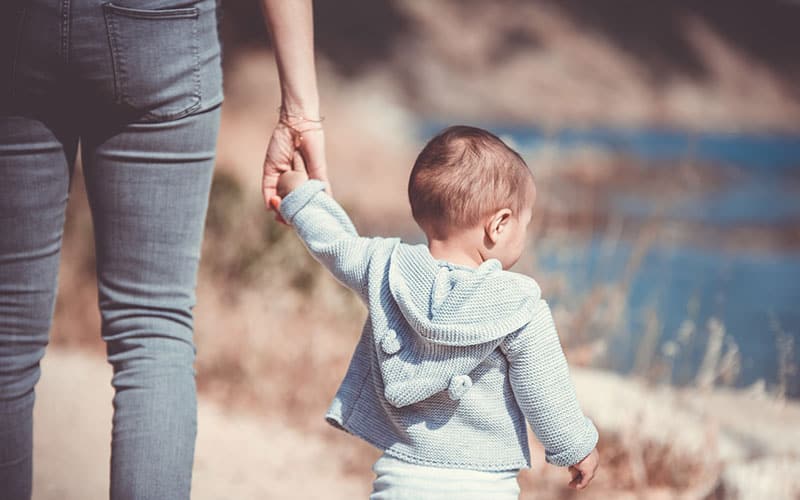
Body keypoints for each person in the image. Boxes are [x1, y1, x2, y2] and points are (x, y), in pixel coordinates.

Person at [0, 0, 325, 498]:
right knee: (153, 328)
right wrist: (300, 112)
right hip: (160, 28)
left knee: (7, 331)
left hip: (20, 27)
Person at [269, 125, 600, 499]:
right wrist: (575, 447)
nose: (526, 232)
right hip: (484, 485)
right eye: (527, 221)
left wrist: (298, 192)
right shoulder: (518, 304)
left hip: (400, 481)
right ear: (499, 224)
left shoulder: (386, 268)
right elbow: (544, 388)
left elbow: (334, 244)